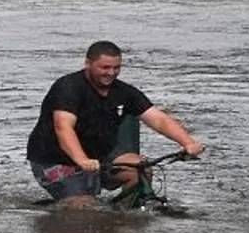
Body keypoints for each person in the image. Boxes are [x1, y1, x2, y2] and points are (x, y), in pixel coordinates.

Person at [27, 40, 205, 206]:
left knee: (140, 170)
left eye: (116, 68)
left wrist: (187, 142)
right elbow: (63, 128)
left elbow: (158, 119)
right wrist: (81, 160)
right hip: (54, 159)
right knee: (84, 208)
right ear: (88, 64)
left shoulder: (124, 91)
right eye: (105, 67)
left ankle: (125, 222)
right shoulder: (68, 88)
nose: (111, 73)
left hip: (99, 156)